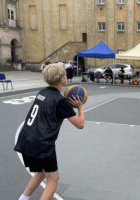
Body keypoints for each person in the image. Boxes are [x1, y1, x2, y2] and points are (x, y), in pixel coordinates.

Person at [14, 63, 85, 200]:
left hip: (26, 139)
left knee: (40, 173)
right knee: (53, 178)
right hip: (41, 144)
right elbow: (80, 124)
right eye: (65, 75)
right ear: (62, 79)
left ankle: (22, 198)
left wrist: (67, 108)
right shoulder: (60, 101)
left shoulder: (42, 92)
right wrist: (80, 107)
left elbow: (50, 109)